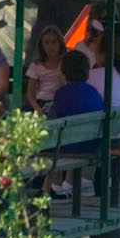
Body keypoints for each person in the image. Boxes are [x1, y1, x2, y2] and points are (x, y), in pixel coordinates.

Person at [45, 49, 105, 198]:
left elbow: (52, 122)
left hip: (69, 146)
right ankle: (60, 187)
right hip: (92, 145)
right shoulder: (93, 92)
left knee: (50, 142)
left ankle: (50, 189)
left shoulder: (62, 93)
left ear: (63, 71)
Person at [21, 25, 68, 112]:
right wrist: (38, 109)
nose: (50, 46)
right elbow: (30, 93)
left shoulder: (65, 63)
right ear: (41, 45)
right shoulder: (36, 65)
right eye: (46, 42)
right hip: (40, 103)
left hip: (59, 103)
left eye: (54, 42)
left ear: (60, 43)